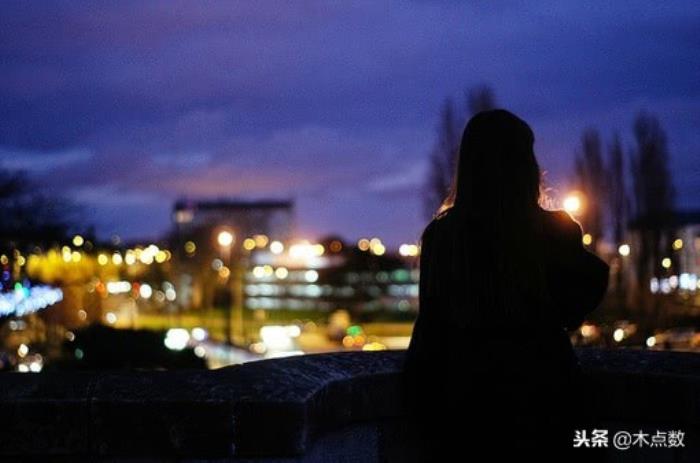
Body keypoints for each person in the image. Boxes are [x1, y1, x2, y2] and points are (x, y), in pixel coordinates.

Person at [403, 109, 609, 457]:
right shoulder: (556, 232)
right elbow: (580, 299)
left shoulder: (442, 236)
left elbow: (431, 331)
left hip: (465, 413)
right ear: (525, 166)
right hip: (545, 404)